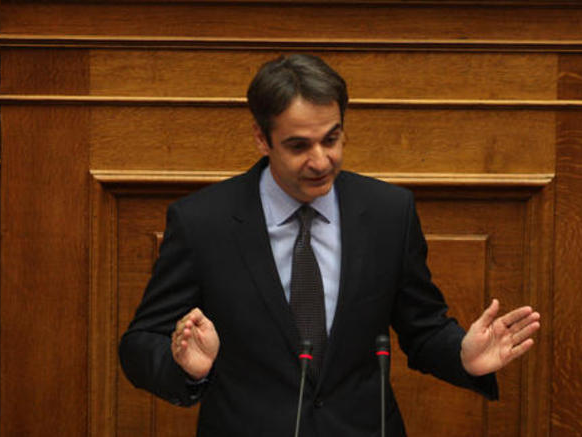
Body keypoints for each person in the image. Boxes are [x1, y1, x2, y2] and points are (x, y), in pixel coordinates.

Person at [119, 54, 540, 437]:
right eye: (299, 146)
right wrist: (186, 368)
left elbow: (423, 327)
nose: (320, 161)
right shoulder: (203, 222)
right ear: (262, 139)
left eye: (331, 139)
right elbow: (140, 342)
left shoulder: (388, 212)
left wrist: (462, 354)